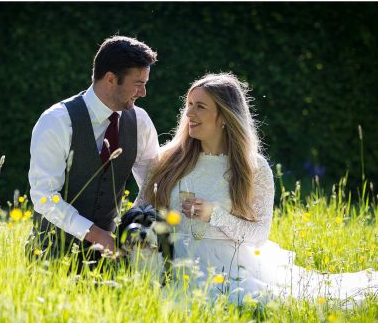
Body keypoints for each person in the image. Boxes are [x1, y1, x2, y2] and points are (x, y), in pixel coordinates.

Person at [135, 72, 377, 307]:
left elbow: (260, 234)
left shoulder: (253, 167)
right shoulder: (166, 159)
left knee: (283, 301)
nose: (188, 113)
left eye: (200, 106)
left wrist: (214, 215)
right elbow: (139, 209)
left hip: (225, 265)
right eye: (188, 104)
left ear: (224, 117)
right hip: (166, 262)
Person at [27, 36, 159, 270]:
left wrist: (133, 226)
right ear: (110, 79)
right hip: (50, 254)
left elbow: (153, 184)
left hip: (110, 262)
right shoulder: (57, 121)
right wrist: (97, 235)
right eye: (138, 83)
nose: (144, 92)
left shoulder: (141, 122)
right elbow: (44, 196)